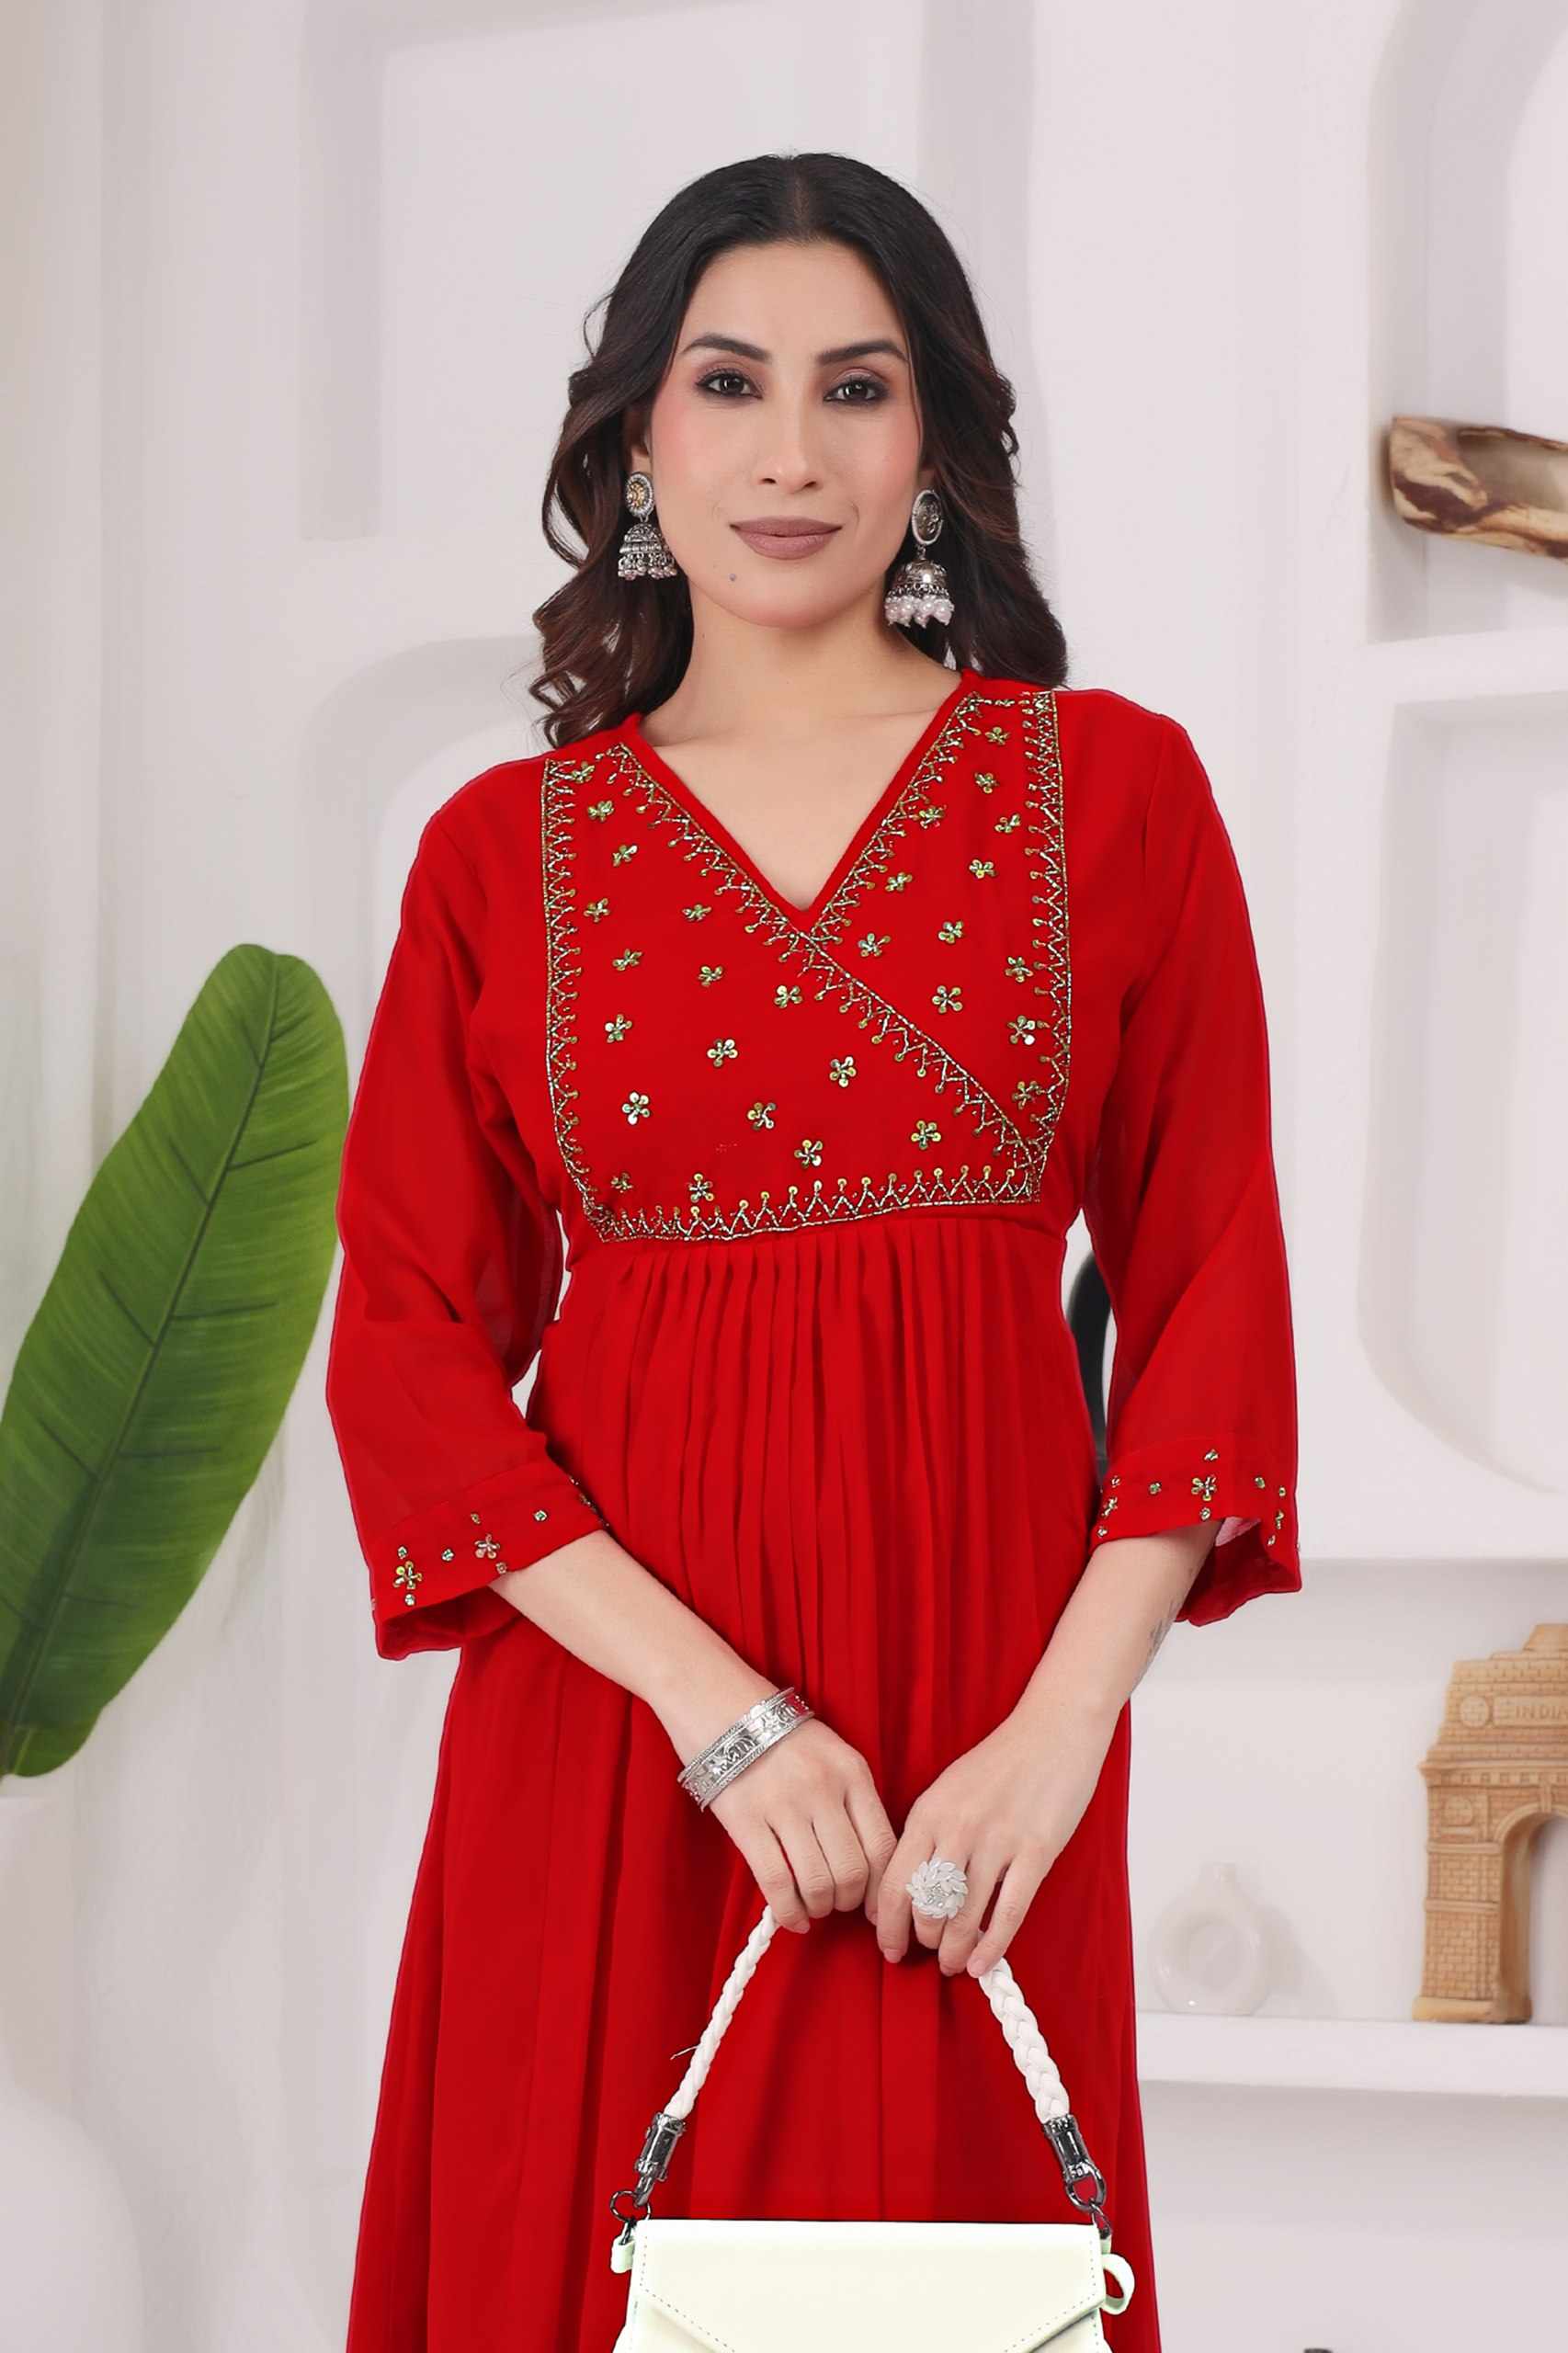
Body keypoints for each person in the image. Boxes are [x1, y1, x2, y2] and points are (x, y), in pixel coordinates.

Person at [324, 150, 1299, 2353]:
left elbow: (1212, 1297)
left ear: (931, 438)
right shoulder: (500, 854)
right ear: (636, 444)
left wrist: (1056, 1732)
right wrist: (722, 1717)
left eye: (855, 387)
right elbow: (406, 1341)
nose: (790, 452)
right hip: (618, 1735)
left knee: (954, 2281)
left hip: (975, 1743)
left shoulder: (1112, 793)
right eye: (728, 382)